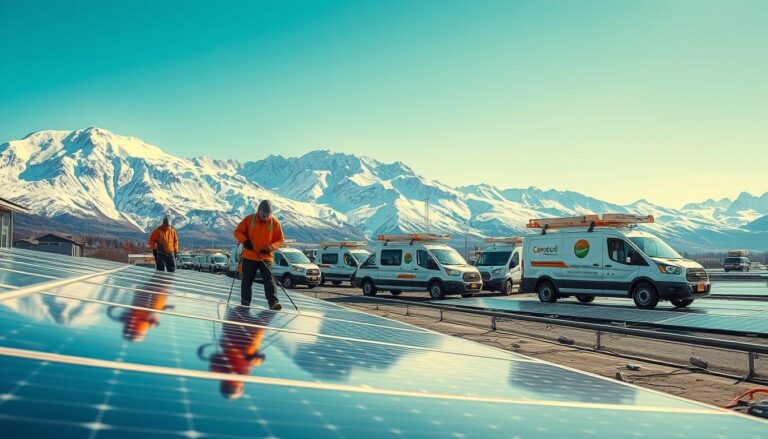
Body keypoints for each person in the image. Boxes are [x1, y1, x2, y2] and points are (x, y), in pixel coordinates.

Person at [233, 200, 285, 310]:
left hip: (265, 257)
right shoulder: (249, 220)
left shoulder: (275, 223)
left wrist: (270, 248)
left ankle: (273, 303)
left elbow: (280, 240)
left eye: (267, 215)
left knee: (269, 280)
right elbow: (237, 232)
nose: (265, 217)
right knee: (247, 280)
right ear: (258, 211)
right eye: (263, 215)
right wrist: (245, 241)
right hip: (249, 256)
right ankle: (245, 303)